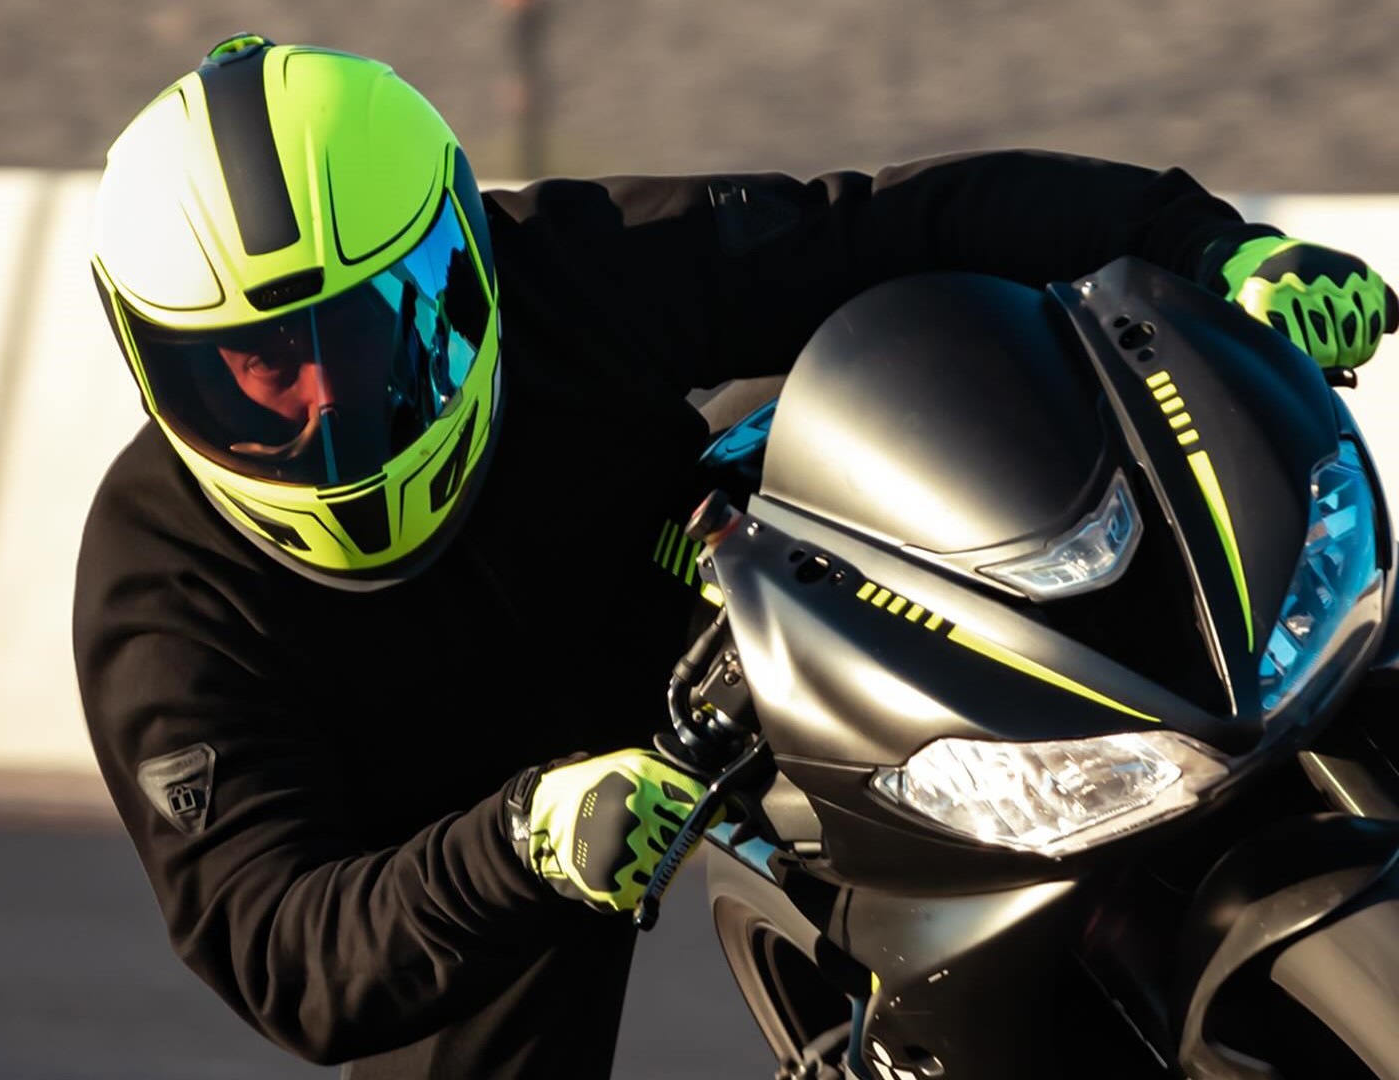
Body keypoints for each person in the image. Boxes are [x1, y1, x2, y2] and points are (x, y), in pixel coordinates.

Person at [74, 32, 1394, 1080]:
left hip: (707, 626)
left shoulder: (569, 268)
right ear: (151, 358)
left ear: (453, 261)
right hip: (473, 839)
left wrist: (1214, 250)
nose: (317, 407)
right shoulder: (157, 588)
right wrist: (514, 851)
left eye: (357, 340)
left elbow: (901, 223)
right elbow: (275, 940)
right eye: (248, 369)